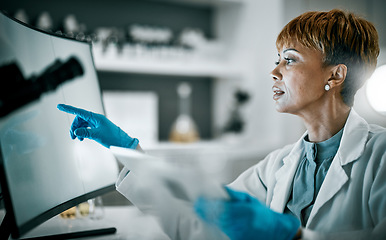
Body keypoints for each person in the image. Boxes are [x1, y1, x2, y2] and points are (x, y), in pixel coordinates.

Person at [58, 8, 386, 240]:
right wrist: (128, 150)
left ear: (336, 74)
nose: (274, 72)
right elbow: (201, 221)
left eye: (290, 59)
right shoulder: (279, 166)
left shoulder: (380, 156)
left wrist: (297, 237)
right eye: (276, 60)